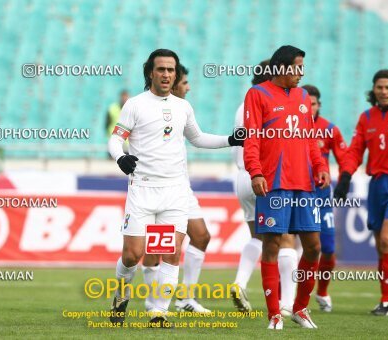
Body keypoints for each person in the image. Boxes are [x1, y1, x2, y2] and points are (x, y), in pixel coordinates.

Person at [108, 49, 242, 328]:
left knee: (169, 252)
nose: (167, 75)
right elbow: (115, 139)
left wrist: (231, 139)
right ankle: (120, 298)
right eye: (161, 70)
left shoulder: (183, 106)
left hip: (174, 192)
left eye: (171, 70)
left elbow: (198, 138)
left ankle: (159, 312)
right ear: (150, 73)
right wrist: (120, 157)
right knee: (133, 254)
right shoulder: (135, 104)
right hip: (143, 190)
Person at [244, 45, 330, 329]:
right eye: (296, 67)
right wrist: (255, 171)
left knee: (314, 247)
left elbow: (309, 139)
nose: (300, 73)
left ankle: (300, 308)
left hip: (304, 184)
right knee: (272, 244)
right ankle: (274, 314)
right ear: (281, 67)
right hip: (274, 182)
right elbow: (251, 138)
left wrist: (320, 167)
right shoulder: (257, 94)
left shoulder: (304, 96)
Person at [334, 70, 388, 316]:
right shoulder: (366, 118)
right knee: (381, 246)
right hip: (377, 186)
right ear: (374, 90)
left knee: (387, 239)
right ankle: (387, 300)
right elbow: (355, 151)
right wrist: (345, 176)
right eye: (380, 87)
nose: (384, 91)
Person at [141, 64, 212, 314]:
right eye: (184, 83)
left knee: (201, 236)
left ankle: (184, 298)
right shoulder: (152, 109)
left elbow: (198, 138)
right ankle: (153, 302)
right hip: (159, 189)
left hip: (182, 188)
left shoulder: (182, 110)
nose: (188, 87)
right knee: (159, 247)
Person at [302, 84, 348, 313]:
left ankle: (322, 292)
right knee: (292, 247)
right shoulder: (289, 127)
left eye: (313, 103)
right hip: (297, 195)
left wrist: (344, 180)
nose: (309, 107)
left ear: (319, 105)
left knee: (327, 248)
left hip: (321, 198)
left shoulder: (329, 129)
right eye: (306, 103)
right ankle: (288, 297)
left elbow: (345, 158)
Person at [231, 59, 271, 313]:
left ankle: (239, 283)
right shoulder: (267, 104)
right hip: (262, 177)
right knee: (285, 240)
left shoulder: (241, 106)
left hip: (242, 178)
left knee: (257, 236)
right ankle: (287, 305)